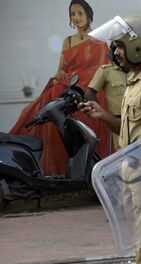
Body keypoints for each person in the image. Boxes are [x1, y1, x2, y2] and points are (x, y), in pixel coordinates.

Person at [80, 16, 141, 264]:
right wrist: (101, 114)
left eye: (120, 46)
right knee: (139, 236)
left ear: (138, 47)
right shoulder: (134, 82)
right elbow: (127, 130)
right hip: (131, 168)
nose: (116, 52)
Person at [10, 0, 110, 175]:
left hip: (91, 88)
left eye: (80, 13)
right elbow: (62, 70)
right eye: (73, 14)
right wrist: (60, 76)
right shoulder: (68, 41)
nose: (76, 17)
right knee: (48, 101)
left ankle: (91, 170)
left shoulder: (99, 39)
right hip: (71, 85)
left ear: (89, 15)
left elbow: (104, 70)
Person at [85, 50, 128, 151]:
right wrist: (104, 114)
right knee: (125, 155)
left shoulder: (134, 71)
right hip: (118, 121)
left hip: (137, 120)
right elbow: (89, 94)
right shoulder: (106, 71)